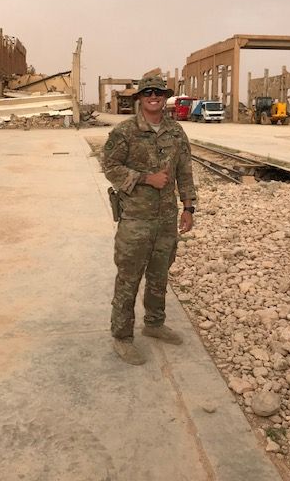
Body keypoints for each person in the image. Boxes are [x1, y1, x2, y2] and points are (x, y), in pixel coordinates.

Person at [103, 76, 196, 365]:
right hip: (136, 220)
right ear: (140, 98)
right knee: (129, 278)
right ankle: (122, 337)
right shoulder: (125, 132)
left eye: (158, 93)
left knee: (159, 276)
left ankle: (154, 324)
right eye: (148, 93)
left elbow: (185, 170)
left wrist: (189, 207)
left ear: (165, 97)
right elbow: (110, 167)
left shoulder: (176, 131)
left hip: (166, 220)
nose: (154, 96)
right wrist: (146, 179)